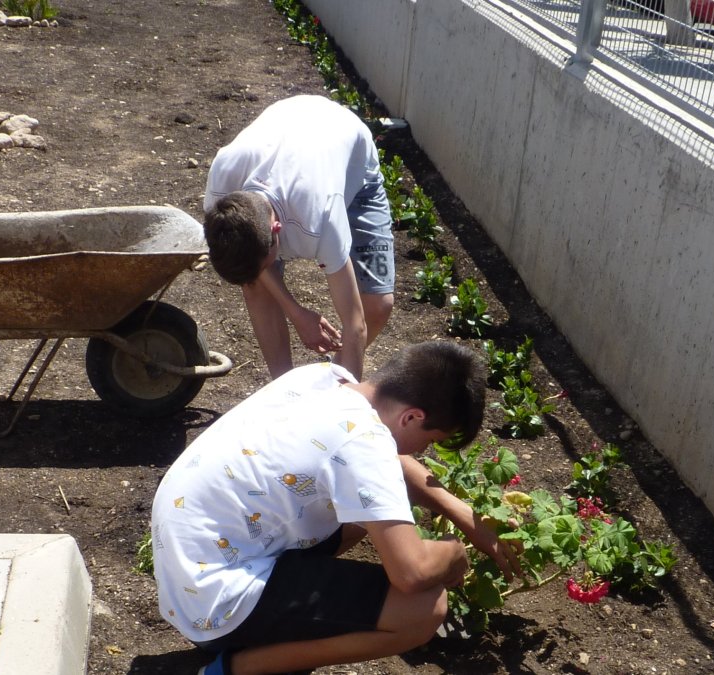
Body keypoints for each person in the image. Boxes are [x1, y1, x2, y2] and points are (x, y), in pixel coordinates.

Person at [150, 340, 522, 675]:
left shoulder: (327, 379)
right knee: (425, 607)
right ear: (411, 417)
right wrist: (454, 554)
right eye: (430, 440)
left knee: (368, 515)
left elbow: (381, 458)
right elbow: (411, 573)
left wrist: (465, 517)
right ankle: (238, 667)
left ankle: (274, 628)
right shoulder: (363, 442)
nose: (422, 452)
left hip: (187, 572)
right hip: (215, 606)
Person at [203, 94, 394, 381]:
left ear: (276, 229)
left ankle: (336, 381)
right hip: (288, 120)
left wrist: (347, 411)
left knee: (378, 305)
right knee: (256, 288)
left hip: (350, 151)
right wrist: (297, 313)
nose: (264, 269)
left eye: (268, 261)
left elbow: (354, 323)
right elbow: (254, 270)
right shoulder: (224, 183)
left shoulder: (320, 217)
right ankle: (286, 390)